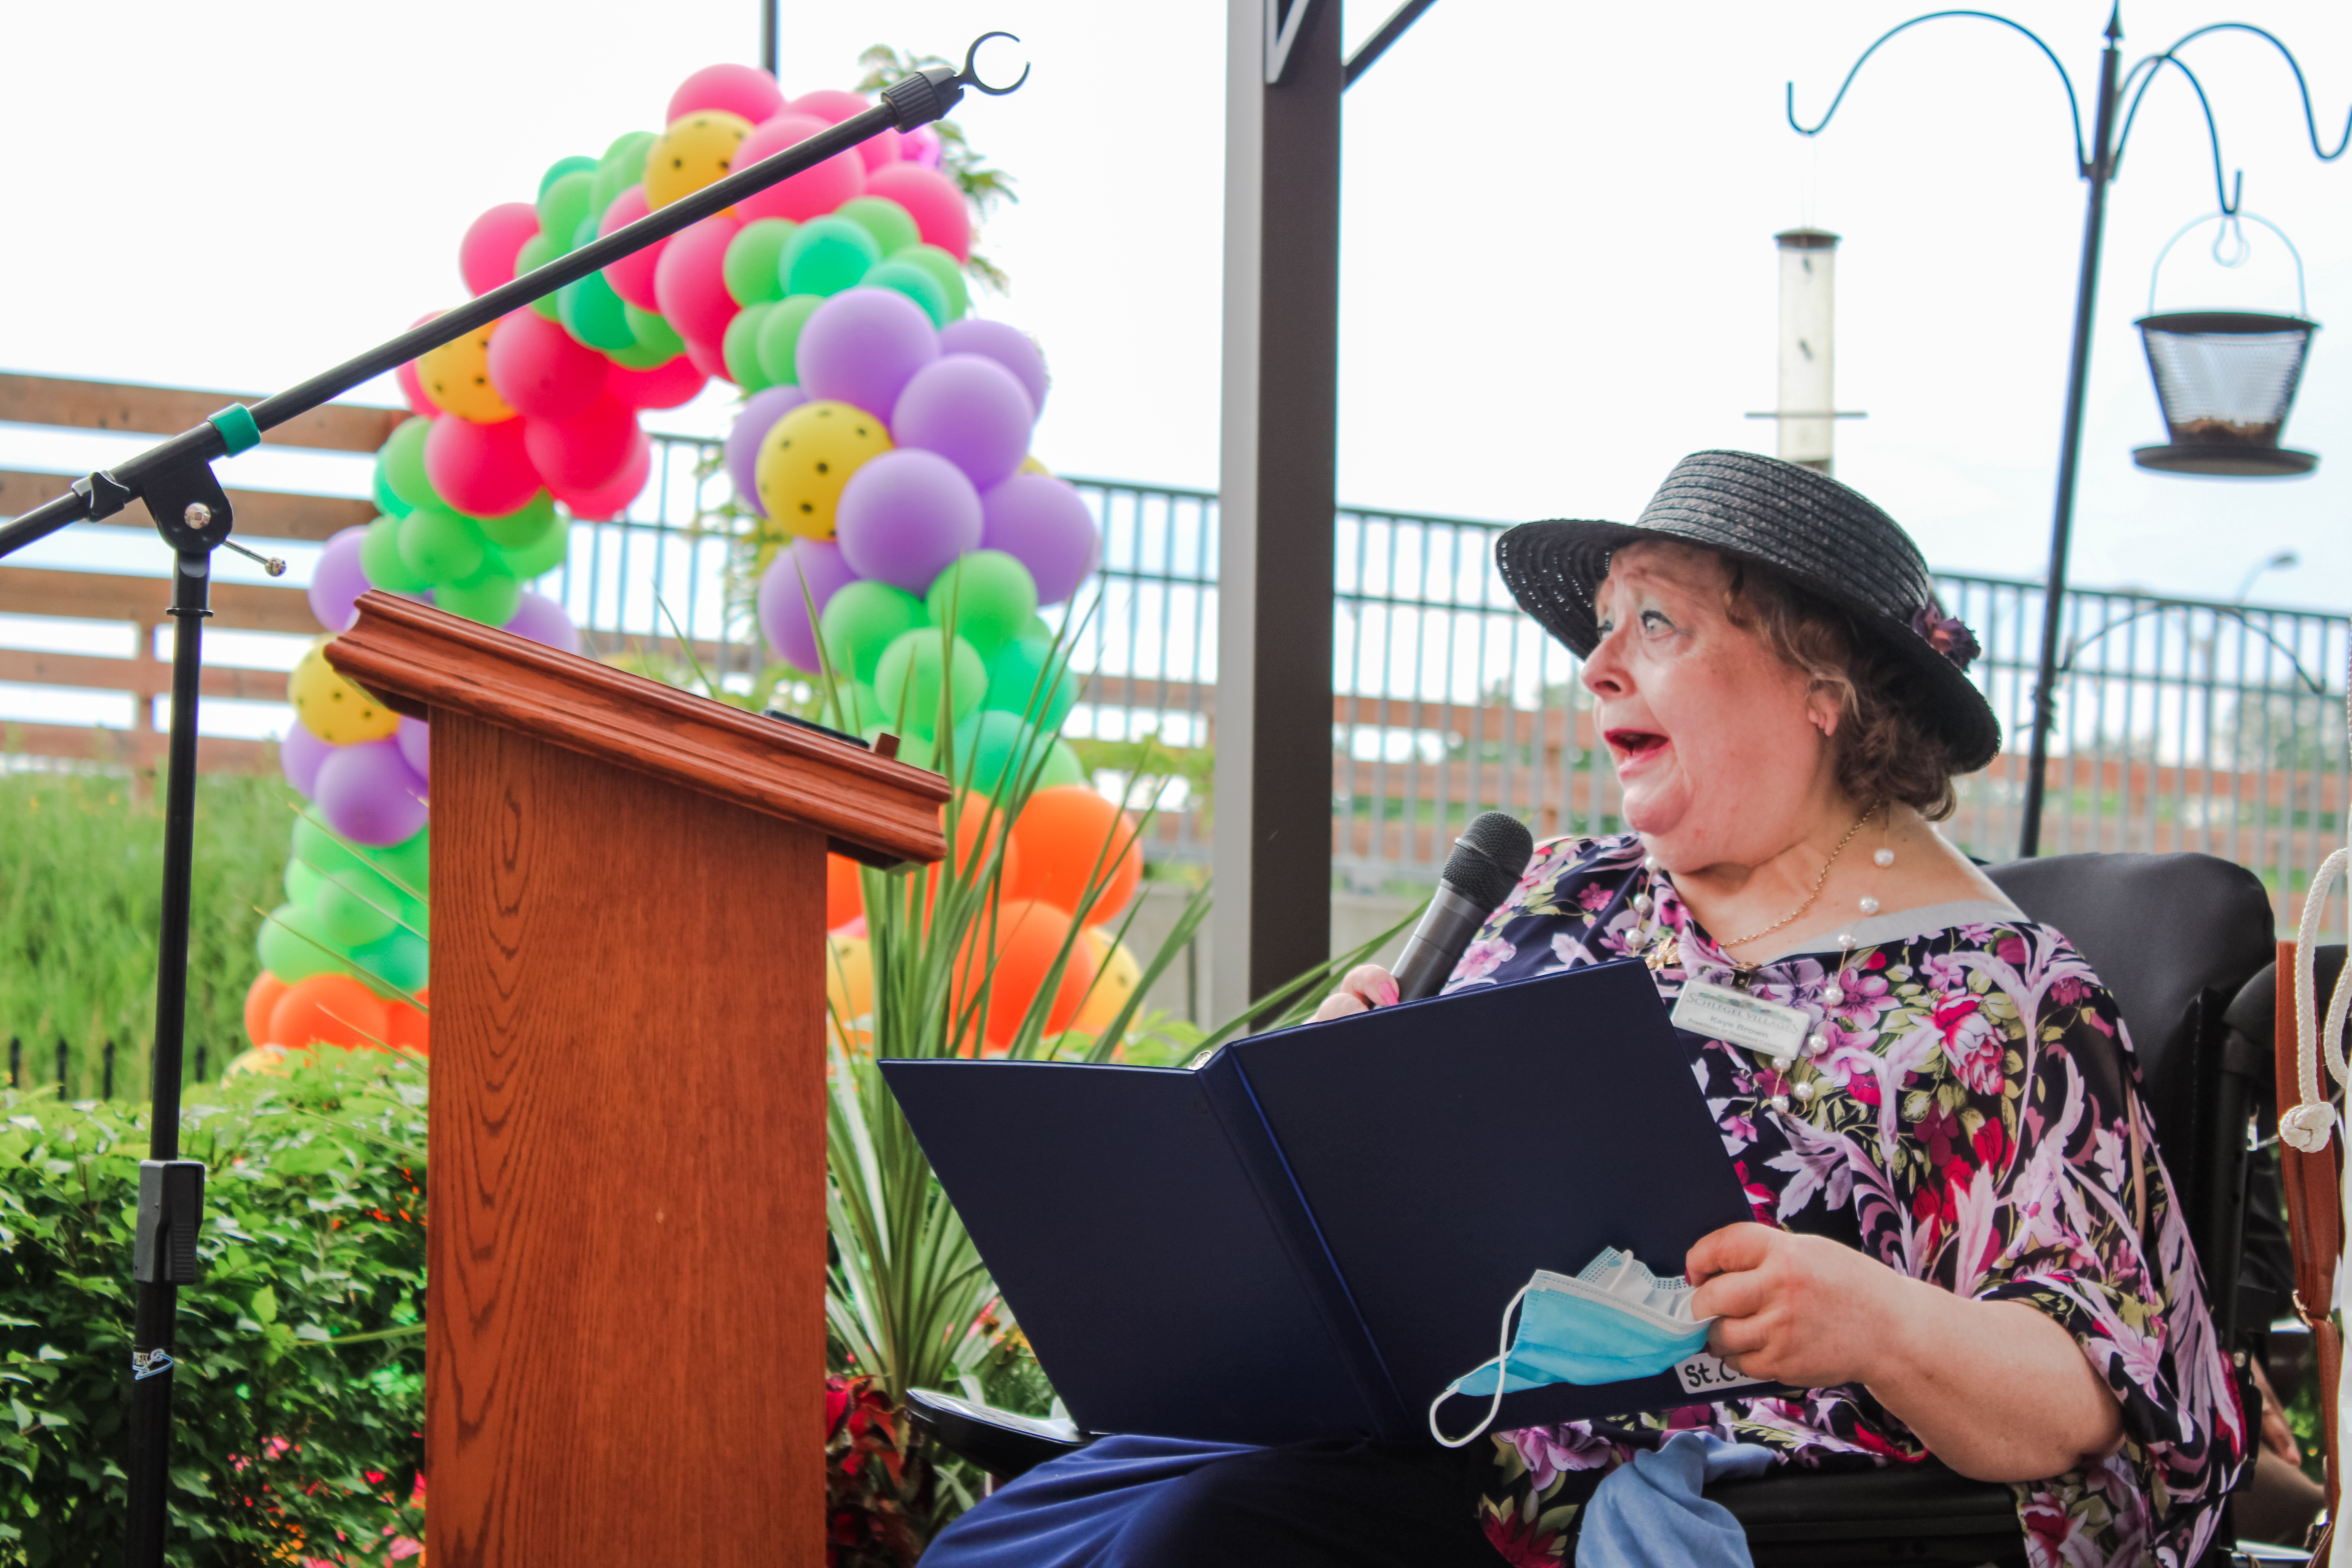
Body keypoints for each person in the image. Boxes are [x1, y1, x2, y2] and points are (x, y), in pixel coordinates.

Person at [921, 450, 2246, 1568]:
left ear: (1821, 686)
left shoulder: (2000, 1000)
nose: (1597, 666)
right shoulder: (1568, 891)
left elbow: (2087, 1405)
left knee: (1196, 1539)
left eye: (1655, 624)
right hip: (1420, 1439)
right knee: (1052, 1530)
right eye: (1602, 626)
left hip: (1723, 1506)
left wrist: (1875, 1318)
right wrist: (1331, 1103)